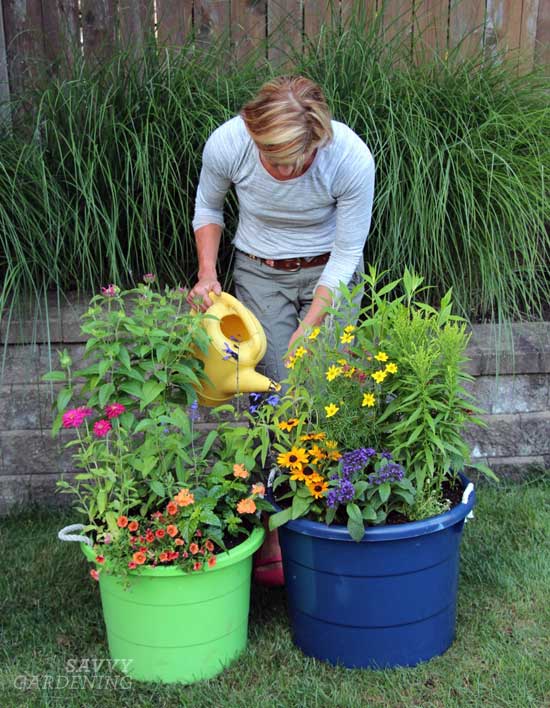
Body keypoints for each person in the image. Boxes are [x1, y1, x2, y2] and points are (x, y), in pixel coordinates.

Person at [188, 75, 375, 585]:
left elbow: (345, 256)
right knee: (273, 395)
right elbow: (209, 206)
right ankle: (274, 525)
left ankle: (326, 520)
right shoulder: (231, 142)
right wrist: (208, 273)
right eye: (268, 156)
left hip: (327, 275)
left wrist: (312, 326)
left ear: (318, 140)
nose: (276, 169)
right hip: (257, 270)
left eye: (288, 162)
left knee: (326, 390)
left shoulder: (351, 159)